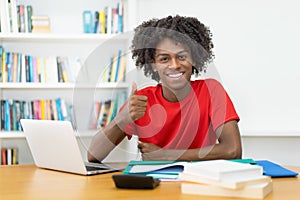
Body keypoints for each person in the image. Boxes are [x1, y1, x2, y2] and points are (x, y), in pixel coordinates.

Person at [88, 15, 242, 162]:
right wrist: (122, 118)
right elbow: (93, 156)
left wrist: (166, 155)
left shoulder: (211, 90)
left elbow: (233, 150)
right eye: (164, 59)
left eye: (182, 56)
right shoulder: (142, 100)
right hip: (155, 184)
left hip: (200, 182)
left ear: (193, 59)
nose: (175, 65)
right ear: (153, 65)